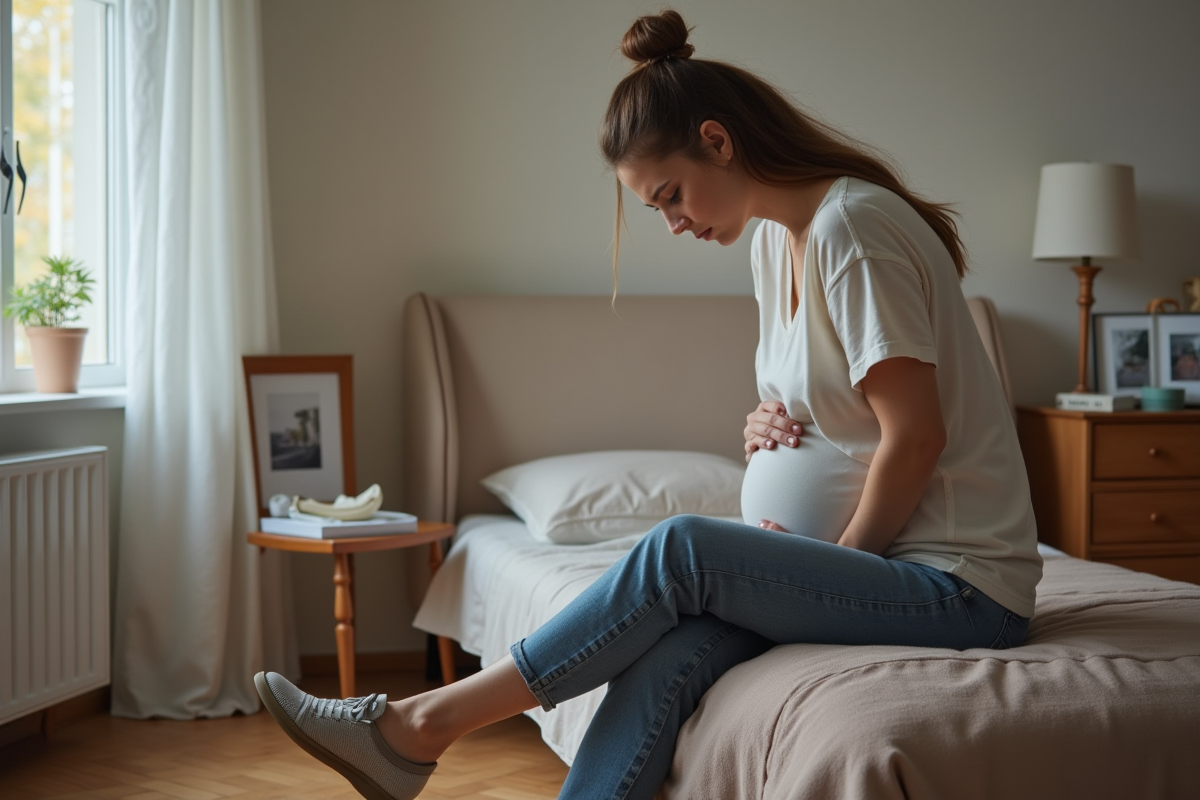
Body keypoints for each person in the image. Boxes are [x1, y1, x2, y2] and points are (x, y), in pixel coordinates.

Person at [253, 10, 1042, 800]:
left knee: (683, 551)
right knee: (666, 654)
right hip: (891, 564)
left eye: (670, 196)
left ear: (718, 140)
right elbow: (832, 408)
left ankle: (417, 727)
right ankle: (414, 746)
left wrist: (821, 566)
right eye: (655, 209)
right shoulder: (775, 238)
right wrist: (765, 424)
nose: (673, 224)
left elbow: (916, 439)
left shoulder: (852, 231)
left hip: (957, 586)